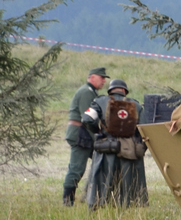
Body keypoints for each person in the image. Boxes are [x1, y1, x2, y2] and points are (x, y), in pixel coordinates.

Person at [82, 78, 148, 210]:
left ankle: (97, 207)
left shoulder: (99, 101)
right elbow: (145, 128)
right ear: (124, 91)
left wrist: (98, 131)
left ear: (110, 90)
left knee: (100, 181)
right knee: (128, 185)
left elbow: (87, 119)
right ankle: (125, 209)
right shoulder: (137, 105)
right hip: (128, 152)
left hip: (106, 148)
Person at [63, 66, 109, 206]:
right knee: (77, 168)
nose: (103, 81)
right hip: (80, 135)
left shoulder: (90, 92)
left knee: (99, 163)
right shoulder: (86, 92)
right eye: (101, 78)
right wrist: (98, 139)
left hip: (83, 134)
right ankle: (67, 201)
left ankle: (88, 195)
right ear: (92, 77)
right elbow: (88, 119)